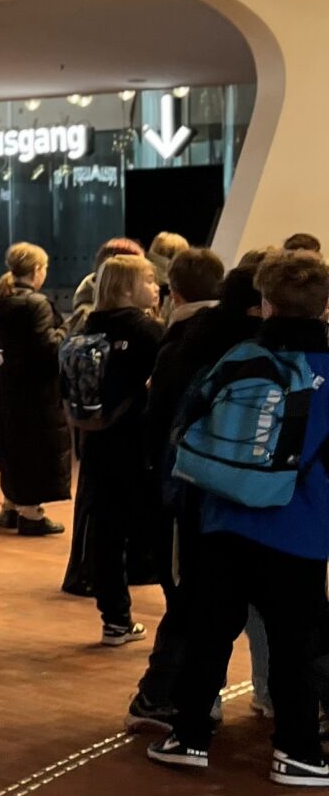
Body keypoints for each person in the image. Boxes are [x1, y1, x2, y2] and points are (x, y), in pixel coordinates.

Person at [151, 246, 329, 786]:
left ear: (266, 304)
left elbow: (188, 421)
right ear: (324, 307)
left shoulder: (238, 357)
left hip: (223, 518)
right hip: (299, 528)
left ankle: (188, 737)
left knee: (210, 630)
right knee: (295, 642)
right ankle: (297, 751)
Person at [128, 254, 262, 733]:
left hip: (188, 496)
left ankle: (184, 699)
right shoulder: (236, 353)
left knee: (198, 603)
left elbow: (157, 427)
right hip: (200, 498)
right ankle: (163, 697)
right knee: (197, 604)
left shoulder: (188, 341)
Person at [64, 253, 163, 648]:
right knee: (155, 529)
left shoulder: (86, 325)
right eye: (149, 281)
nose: (156, 288)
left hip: (96, 442)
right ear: (126, 289)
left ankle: (115, 620)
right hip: (138, 444)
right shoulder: (146, 330)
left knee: (106, 532)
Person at [0, 244, 71, 535]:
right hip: (35, 391)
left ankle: (11, 505)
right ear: (37, 270)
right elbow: (48, 348)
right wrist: (67, 329)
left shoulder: (0, 299)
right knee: (36, 448)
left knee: (11, 446)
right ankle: (31, 514)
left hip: (3, 384)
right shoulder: (36, 303)